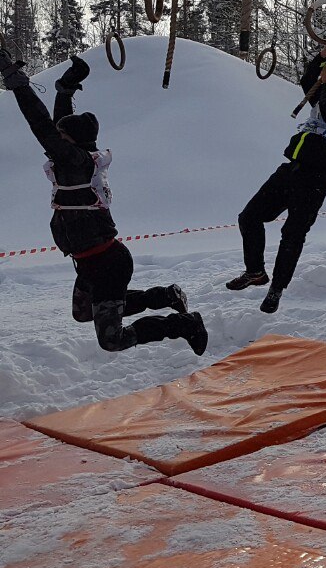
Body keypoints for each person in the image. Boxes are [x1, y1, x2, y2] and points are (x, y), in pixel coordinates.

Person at [0, 48, 207, 355]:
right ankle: (164, 295)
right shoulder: (76, 155)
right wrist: (65, 89)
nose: (55, 143)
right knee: (84, 313)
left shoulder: (76, 161)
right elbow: (60, 125)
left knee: (112, 339)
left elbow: (43, 126)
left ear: (69, 142)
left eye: (61, 138)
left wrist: (14, 79)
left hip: (110, 264)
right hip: (89, 262)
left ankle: (185, 324)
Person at [226, 45, 326, 314]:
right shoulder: (321, 100)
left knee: (293, 233)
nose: (325, 88)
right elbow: (307, 81)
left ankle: (277, 288)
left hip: (316, 179)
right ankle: (255, 271)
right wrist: (322, 57)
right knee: (249, 217)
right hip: (291, 170)